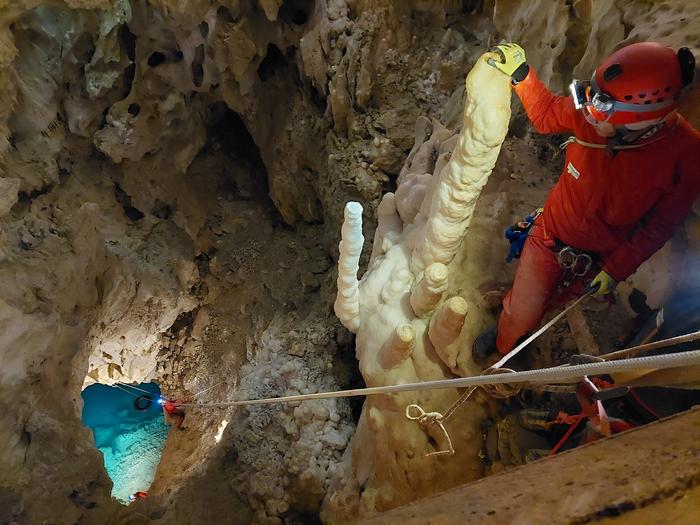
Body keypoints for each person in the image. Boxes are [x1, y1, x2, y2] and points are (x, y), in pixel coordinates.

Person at [472, 41, 700, 364]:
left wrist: (615, 269)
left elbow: (658, 227)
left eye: (602, 110)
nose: (589, 115)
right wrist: (523, 75)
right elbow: (548, 114)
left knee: (550, 303)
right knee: (522, 311)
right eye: (590, 100)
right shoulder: (591, 115)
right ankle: (505, 339)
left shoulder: (686, 155)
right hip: (550, 235)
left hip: (593, 262)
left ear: (643, 121)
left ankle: (523, 324)